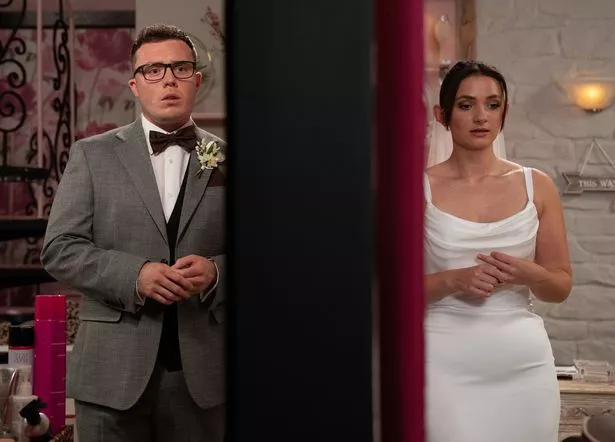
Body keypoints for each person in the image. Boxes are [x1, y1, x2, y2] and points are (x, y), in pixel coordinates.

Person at [41, 24, 226, 442]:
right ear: (135, 85)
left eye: (180, 68)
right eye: (153, 70)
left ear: (196, 81)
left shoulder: (232, 159)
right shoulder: (91, 155)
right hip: (110, 376)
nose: (168, 80)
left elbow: (269, 256)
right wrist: (134, 275)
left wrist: (216, 273)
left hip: (204, 378)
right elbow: (59, 249)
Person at [424, 60, 572, 442]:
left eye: (492, 105)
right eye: (466, 105)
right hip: (442, 360)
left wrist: (531, 274)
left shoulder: (537, 186)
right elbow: (387, 292)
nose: (481, 117)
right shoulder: (416, 189)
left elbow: (559, 287)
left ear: (504, 112)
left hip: (523, 364)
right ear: (442, 115)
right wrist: (453, 280)